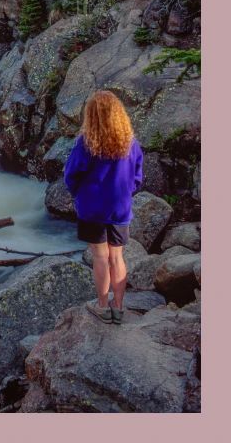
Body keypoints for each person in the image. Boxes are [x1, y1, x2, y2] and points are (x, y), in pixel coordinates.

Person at [64, 90, 144, 324]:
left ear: (92, 116)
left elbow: (71, 175)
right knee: (117, 258)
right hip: (120, 207)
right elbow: (138, 178)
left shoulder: (87, 142)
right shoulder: (131, 143)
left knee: (100, 257)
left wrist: (78, 194)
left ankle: (102, 306)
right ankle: (118, 308)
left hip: (92, 209)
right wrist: (126, 194)